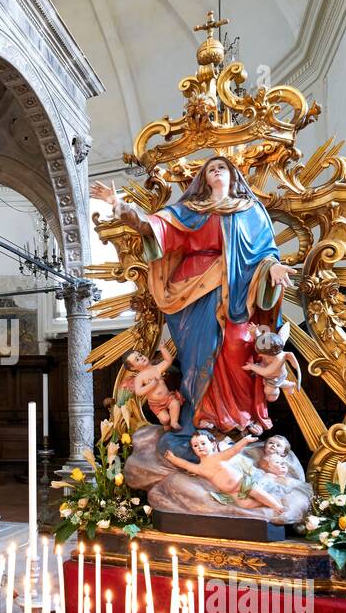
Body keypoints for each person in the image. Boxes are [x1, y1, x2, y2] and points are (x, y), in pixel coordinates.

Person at [93, 153, 295, 456]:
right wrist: (119, 206)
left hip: (238, 292)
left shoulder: (250, 210)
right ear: (203, 178)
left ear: (232, 176)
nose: (216, 172)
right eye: (211, 169)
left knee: (237, 350)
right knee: (197, 358)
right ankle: (200, 421)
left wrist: (273, 268)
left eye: (222, 168)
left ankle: (232, 423)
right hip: (192, 291)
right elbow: (153, 227)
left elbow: (266, 252)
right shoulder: (189, 210)